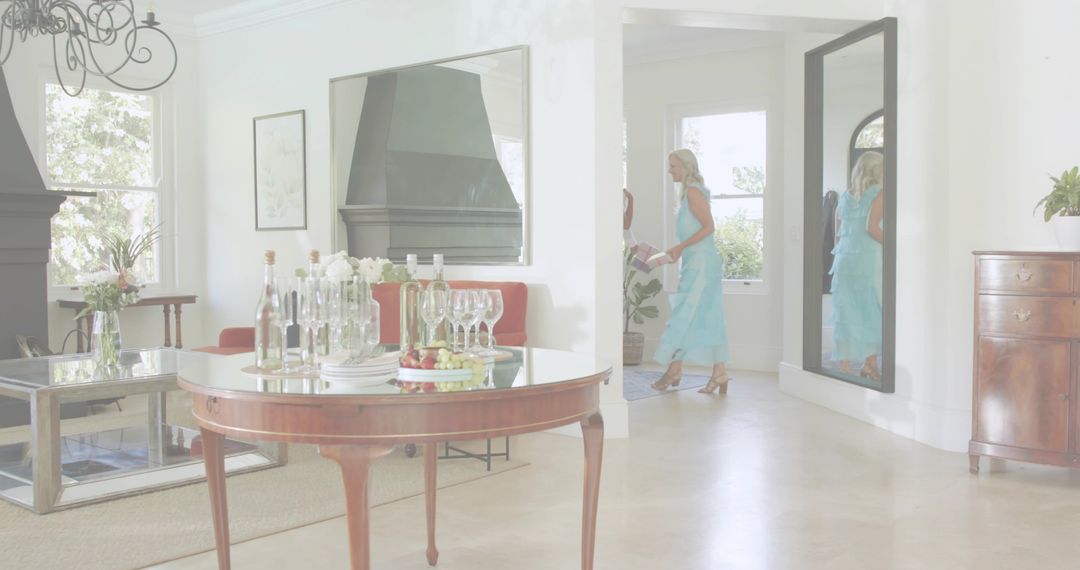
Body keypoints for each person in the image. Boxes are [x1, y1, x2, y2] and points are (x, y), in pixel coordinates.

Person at [651, 149, 731, 395]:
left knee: (683, 316)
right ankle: (719, 372)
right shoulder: (688, 195)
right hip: (695, 263)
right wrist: (675, 253)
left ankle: (675, 370)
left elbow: (709, 227)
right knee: (704, 316)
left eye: (674, 166)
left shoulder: (694, 192)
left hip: (702, 266)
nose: (670, 171)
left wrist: (680, 247)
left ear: (686, 168)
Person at [828, 150, 884, 380]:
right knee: (870, 310)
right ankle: (870, 365)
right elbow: (872, 228)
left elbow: (837, 236)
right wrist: (897, 245)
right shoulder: (879, 193)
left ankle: (846, 368)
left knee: (848, 312)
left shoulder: (844, 197)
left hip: (843, 262)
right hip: (867, 259)